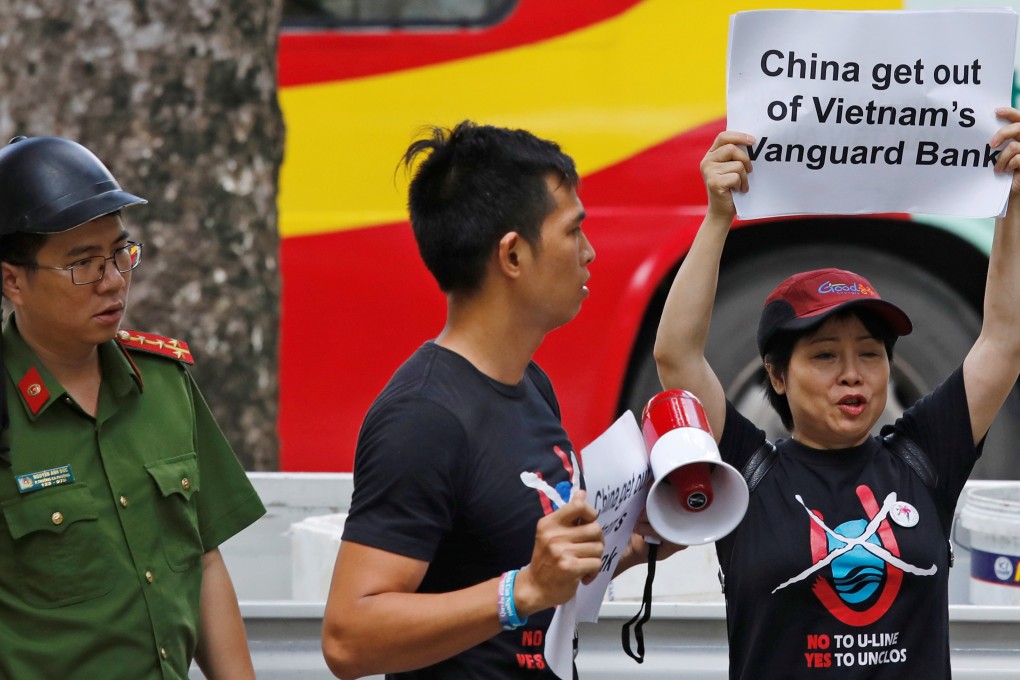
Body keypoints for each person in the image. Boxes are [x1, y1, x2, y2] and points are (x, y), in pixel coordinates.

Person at [652, 107, 1020, 680]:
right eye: (824, 355)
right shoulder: (746, 473)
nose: (853, 374)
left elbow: (1003, 341)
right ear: (775, 375)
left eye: (870, 353)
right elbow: (676, 355)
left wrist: (1012, 200)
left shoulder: (925, 459)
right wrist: (718, 217)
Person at [321, 121, 670, 680]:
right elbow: (347, 638)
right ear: (512, 255)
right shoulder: (423, 417)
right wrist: (524, 589)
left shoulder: (531, 383)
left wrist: (643, 536)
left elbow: (534, 572)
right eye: (572, 232)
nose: (590, 252)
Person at [0, 135, 266, 680]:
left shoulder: (162, 382)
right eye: (83, 265)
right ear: (13, 281)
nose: (114, 281)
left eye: (121, 254)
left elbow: (204, 559)